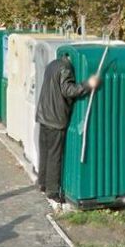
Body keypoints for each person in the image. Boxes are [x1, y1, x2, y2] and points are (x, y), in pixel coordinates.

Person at [36, 54, 100, 202]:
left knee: (45, 151)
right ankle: (52, 191)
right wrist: (88, 84)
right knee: (54, 155)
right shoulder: (66, 69)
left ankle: (42, 183)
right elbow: (68, 90)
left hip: (43, 115)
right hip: (55, 119)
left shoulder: (53, 64)